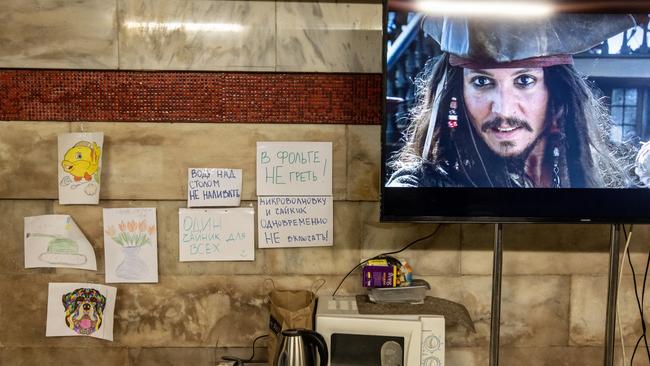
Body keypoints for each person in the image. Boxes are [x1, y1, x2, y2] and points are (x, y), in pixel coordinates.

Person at [387, 14, 640, 188]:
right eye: (482, 82)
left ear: (556, 95)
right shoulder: (425, 183)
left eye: (524, 81)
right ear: (457, 95)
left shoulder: (595, 183)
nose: (503, 109)